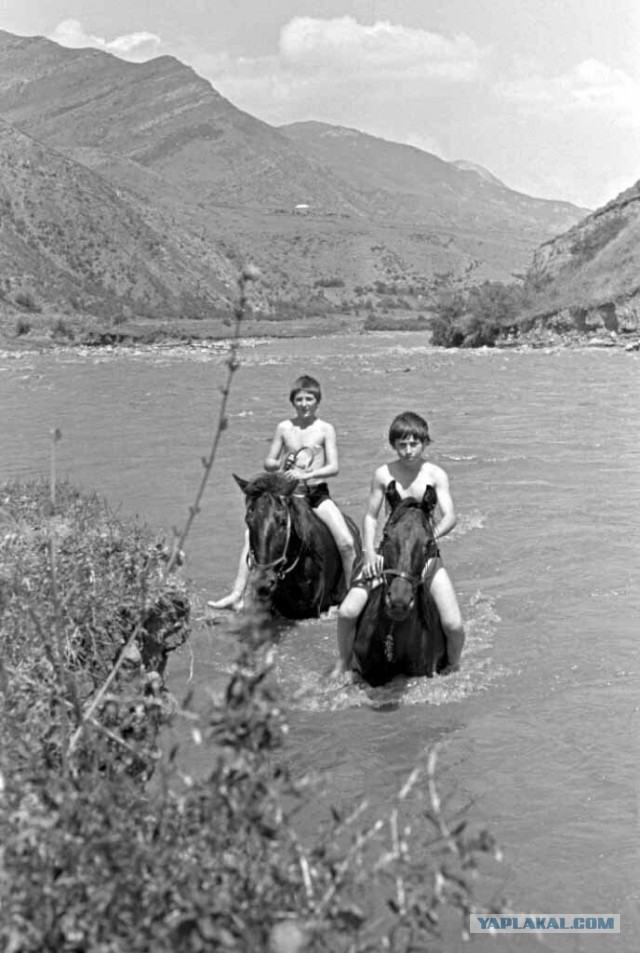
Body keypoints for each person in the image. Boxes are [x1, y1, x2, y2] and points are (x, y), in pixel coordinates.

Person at [209, 375, 357, 610]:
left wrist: (307, 475)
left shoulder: (325, 429)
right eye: (300, 399)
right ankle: (237, 594)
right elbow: (269, 460)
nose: (305, 403)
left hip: (316, 495)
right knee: (252, 537)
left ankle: (351, 594)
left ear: (318, 401)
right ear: (293, 402)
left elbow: (334, 467)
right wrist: (279, 464)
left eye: (310, 399)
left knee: (347, 542)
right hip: (287, 496)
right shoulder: (284, 428)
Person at [335, 410, 465, 675]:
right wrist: (369, 553)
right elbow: (371, 517)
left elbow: (450, 516)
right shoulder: (383, 474)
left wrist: (428, 540)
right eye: (401, 444)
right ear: (393, 445)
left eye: (413, 444)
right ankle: (343, 663)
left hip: (426, 558)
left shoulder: (436, 474)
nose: (407, 451)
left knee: (453, 625)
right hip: (387, 556)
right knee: (347, 612)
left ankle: (453, 666)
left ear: (425, 442)